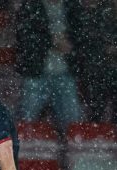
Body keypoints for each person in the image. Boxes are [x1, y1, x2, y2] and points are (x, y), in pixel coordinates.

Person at [14, 0, 82, 130]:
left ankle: (69, 146)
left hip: (64, 72)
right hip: (36, 71)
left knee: (72, 121)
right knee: (27, 117)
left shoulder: (72, 7)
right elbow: (25, 37)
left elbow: (81, 35)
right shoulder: (31, 6)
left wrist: (70, 46)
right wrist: (52, 41)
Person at [67, 0, 117, 124]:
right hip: (98, 69)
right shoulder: (100, 14)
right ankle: (97, 134)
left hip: (103, 68)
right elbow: (88, 39)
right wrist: (107, 48)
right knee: (96, 108)